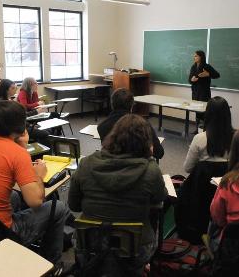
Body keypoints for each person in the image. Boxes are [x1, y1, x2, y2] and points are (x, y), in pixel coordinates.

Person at [69, 114, 167, 274]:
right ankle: (143, 267)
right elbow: (159, 201)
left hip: (90, 244)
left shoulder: (86, 164)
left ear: (113, 136)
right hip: (136, 249)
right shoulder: (151, 170)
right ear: (147, 143)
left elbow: (73, 205)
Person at [0, 101, 69, 267]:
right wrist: (39, 175)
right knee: (58, 207)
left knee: (15, 196)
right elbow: (35, 201)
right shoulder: (17, 153)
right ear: (20, 126)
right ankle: (52, 264)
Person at [97, 88, 164, 160]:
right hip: (137, 167)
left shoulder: (102, 126)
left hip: (111, 167)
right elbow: (159, 152)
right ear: (131, 106)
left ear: (112, 104)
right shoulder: (142, 125)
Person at [184, 96, 233, 174]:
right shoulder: (236, 138)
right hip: (226, 183)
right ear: (228, 115)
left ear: (207, 114)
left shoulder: (199, 138)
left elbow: (188, 168)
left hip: (202, 184)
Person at [0, 79, 50, 147]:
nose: (15, 89)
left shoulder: (9, 100)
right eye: (13, 88)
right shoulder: (3, 104)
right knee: (45, 133)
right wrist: (36, 112)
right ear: (6, 90)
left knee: (45, 130)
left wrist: (29, 125)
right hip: (13, 130)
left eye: (15, 87)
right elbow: (20, 116)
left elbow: (20, 116)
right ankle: (42, 154)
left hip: (18, 126)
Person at [188, 50, 220, 133]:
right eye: (194, 56)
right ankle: (197, 129)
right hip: (195, 92)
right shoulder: (193, 67)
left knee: (203, 110)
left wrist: (208, 74)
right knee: (196, 110)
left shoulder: (206, 66)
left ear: (201, 57)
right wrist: (192, 80)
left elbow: (217, 75)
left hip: (204, 92)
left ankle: (204, 129)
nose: (194, 57)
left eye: (196, 56)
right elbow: (190, 79)